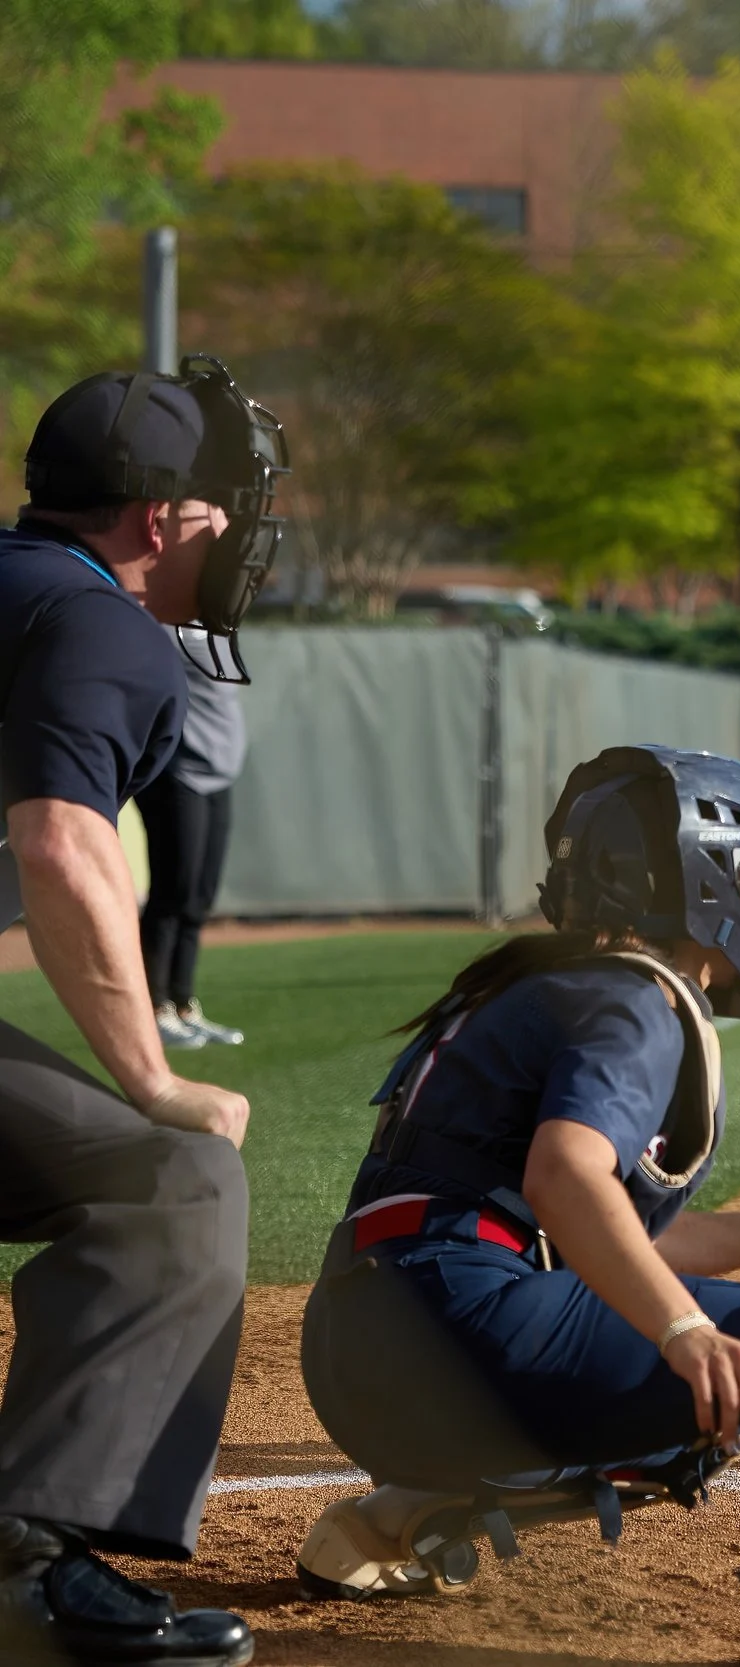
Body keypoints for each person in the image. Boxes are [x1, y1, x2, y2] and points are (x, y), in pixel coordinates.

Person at [293, 744, 740, 1665]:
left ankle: (399, 1517)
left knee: (687, 1335)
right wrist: (684, 1332)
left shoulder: (540, 982)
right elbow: (566, 1177)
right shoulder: (638, 1000)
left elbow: (608, 1238)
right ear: (695, 876)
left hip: (356, 1352)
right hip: (473, 1328)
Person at [0, 361, 284, 1666]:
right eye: (227, 507)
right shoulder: (104, 624)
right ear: (159, 519)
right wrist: (154, 1074)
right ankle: (31, 1563)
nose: (244, 532)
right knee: (169, 1178)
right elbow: (64, 844)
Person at [138, 625, 250, 1049]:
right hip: (177, 774)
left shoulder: (220, 628)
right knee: (172, 894)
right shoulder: (162, 626)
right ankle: (154, 1009)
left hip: (219, 775)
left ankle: (184, 1005)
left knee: (198, 899)